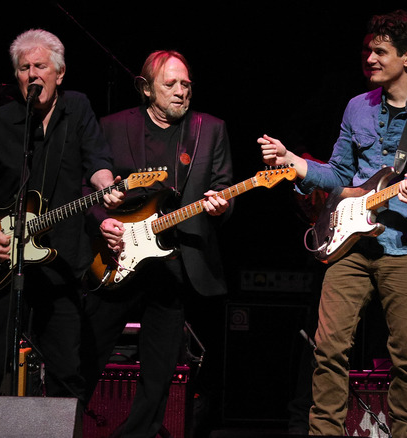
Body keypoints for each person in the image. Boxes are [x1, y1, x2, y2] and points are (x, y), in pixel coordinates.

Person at [258, 10, 407, 437]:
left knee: (406, 356)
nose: (371, 58)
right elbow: (340, 174)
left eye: (381, 51)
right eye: (367, 50)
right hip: (350, 247)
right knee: (328, 347)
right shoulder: (356, 107)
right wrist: (295, 164)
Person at [0, 29, 121, 400]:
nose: (32, 74)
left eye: (41, 65)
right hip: (2, 260)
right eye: (24, 67)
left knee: (65, 371)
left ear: (59, 72)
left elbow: (97, 160)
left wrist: (108, 187)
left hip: (61, 261)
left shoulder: (78, 109)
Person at [80, 50, 233, 438]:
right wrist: (104, 223)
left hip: (174, 264)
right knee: (86, 358)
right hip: (117, 258)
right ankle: (62, 427)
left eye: (186, 84)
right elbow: (86, 189)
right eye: (170, 84)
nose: (181, 91)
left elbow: (223, 191)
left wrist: (221, 207)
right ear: (146, 88)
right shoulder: (112, 126)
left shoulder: (209, 128)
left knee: (160, 372)